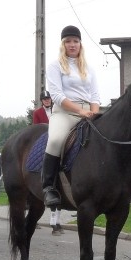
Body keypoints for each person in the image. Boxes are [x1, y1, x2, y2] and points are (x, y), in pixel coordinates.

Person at [41, 25, 100, 209]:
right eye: (68, 41)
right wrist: (80, 111)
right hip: (64, 113)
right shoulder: (54, 66)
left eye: (75, 41)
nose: (72, 44)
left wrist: (94, 113)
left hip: (88, 112)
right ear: (63, 44)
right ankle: (48, 186)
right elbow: (57, 96)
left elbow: (95, 96)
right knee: (56, 140)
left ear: (80, 44)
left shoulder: (89, 69)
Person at [30, 90, 65, 233]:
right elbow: (36, 128)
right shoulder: (37, 113)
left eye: (48, 99)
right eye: (44, 99)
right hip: (45, 138)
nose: (47, 101)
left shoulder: (57, 109)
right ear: (41, 101)